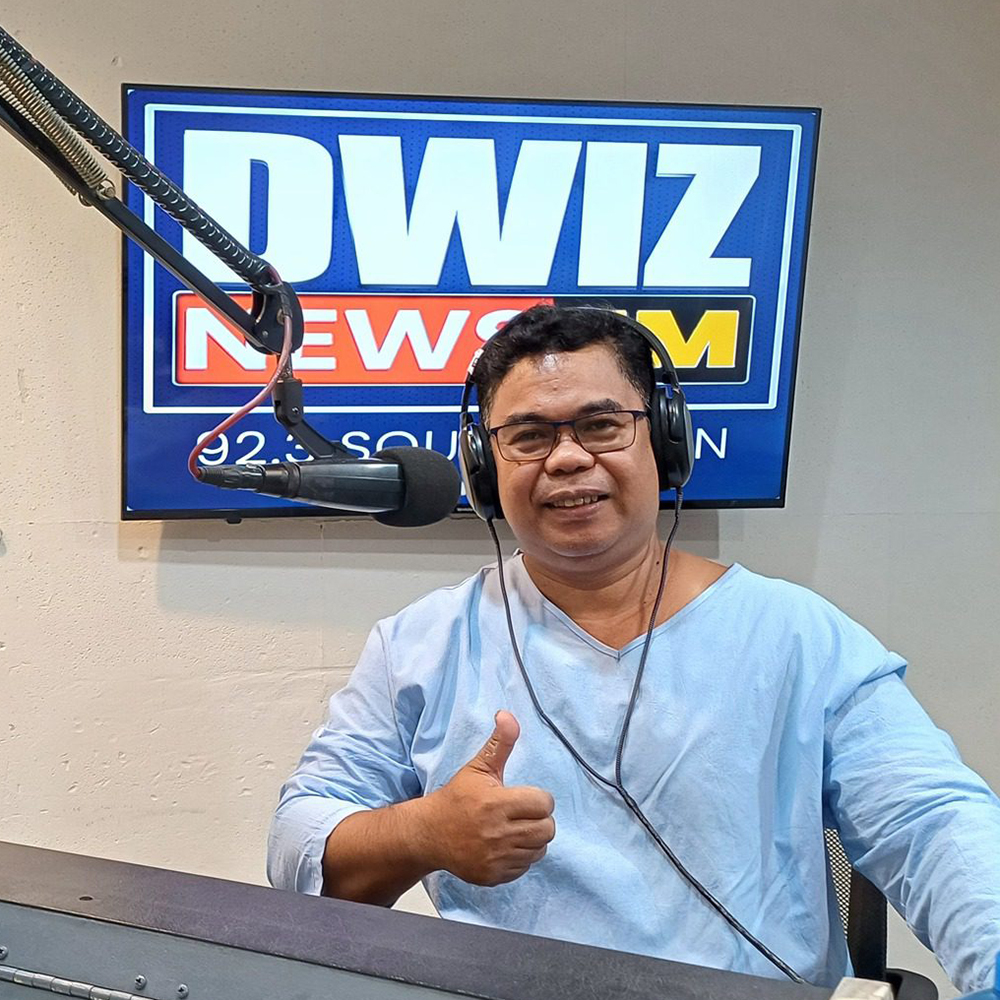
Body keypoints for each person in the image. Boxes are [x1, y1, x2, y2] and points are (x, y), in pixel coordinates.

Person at [267, 305, 1000, 992]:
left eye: (601, 425)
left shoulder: (798, 634)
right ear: (485, 467)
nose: (566, 459)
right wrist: (422, 833)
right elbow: (297, 843)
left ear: (665, 442)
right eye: (528, 436)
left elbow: (931, 820)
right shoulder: (419, 645)